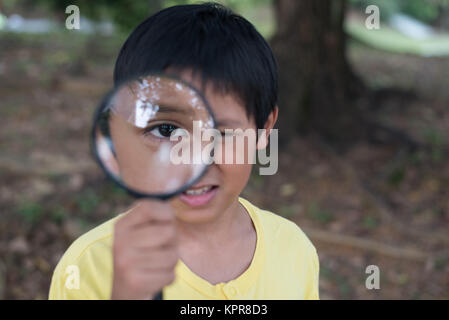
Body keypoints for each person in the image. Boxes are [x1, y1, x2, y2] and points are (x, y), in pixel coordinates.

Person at [49, 2, 319, 300]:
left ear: (264, 130)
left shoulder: (295, 250)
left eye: (220, 133)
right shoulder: (87, 267)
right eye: (166, 130)